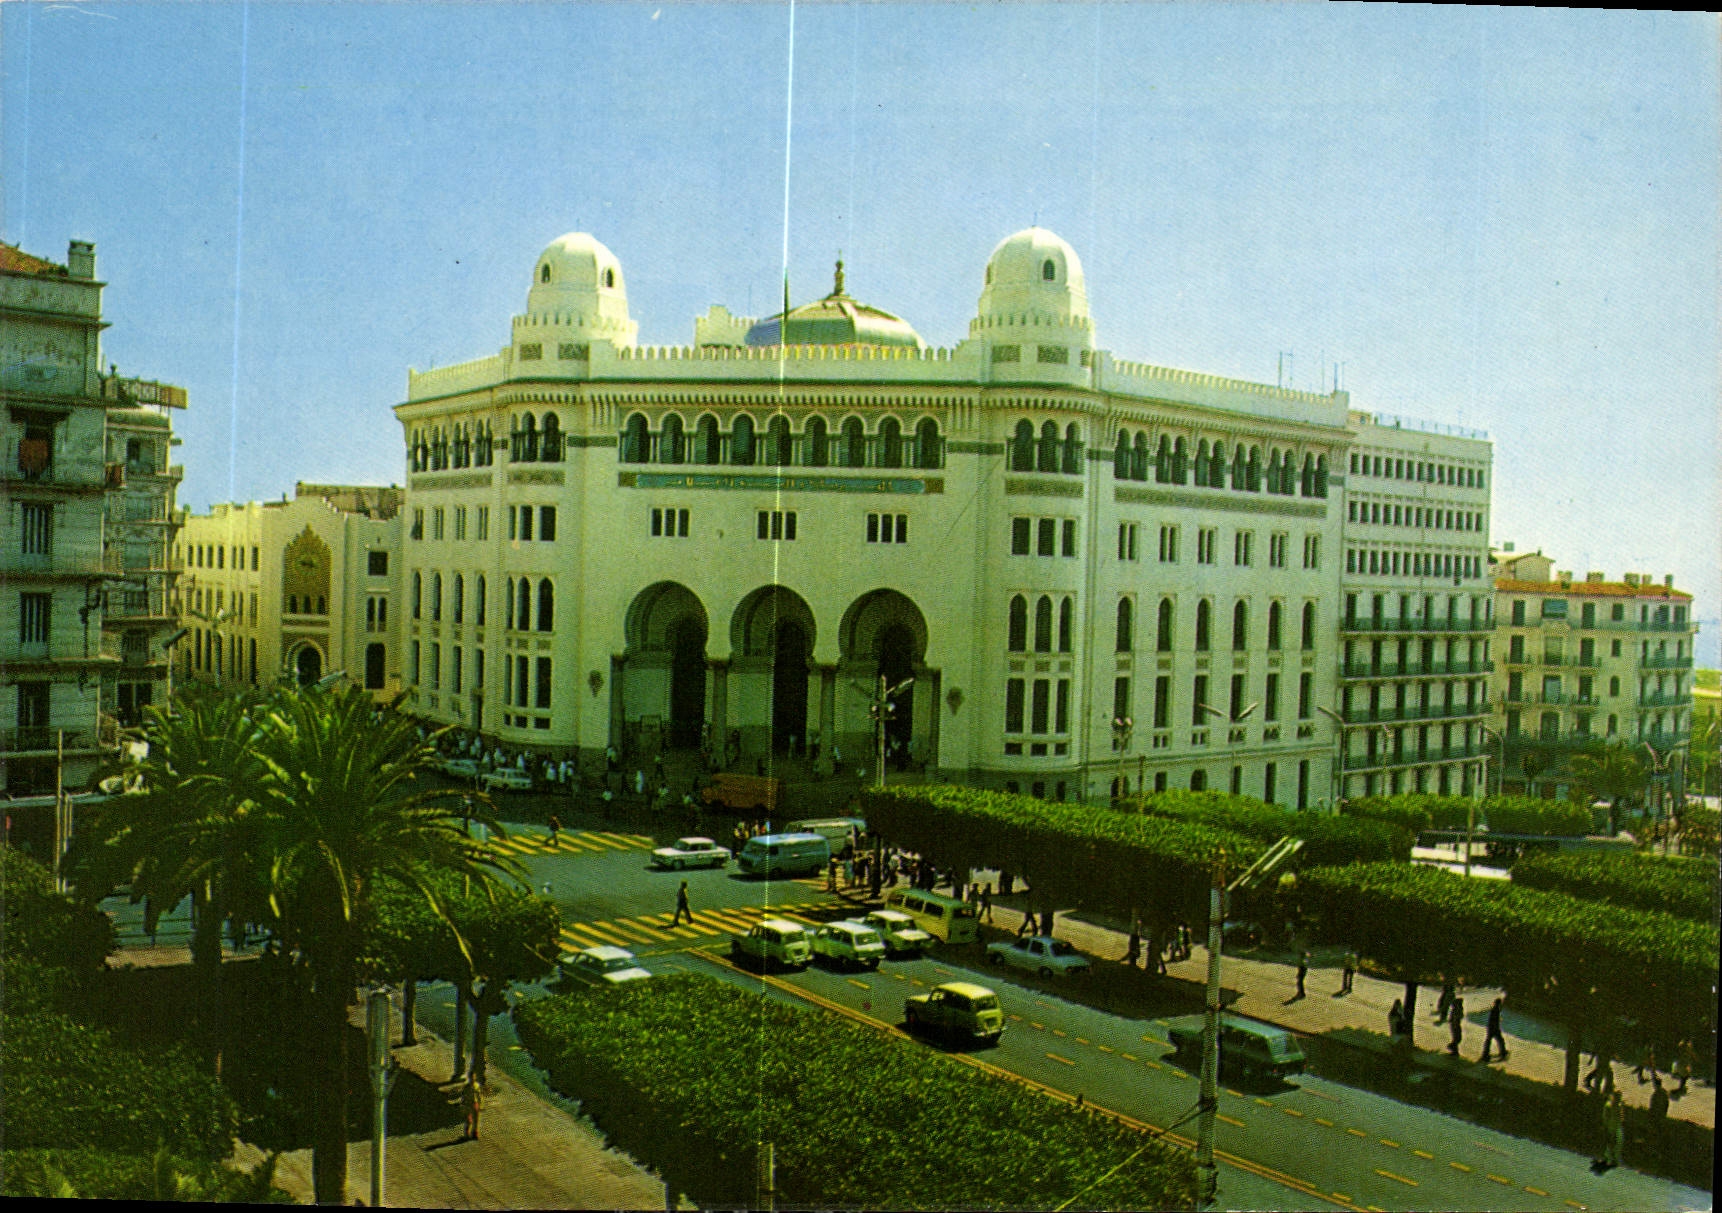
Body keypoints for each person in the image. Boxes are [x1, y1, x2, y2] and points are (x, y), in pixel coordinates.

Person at [1601, 1089, 1625, 1169]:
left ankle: (1614, 1159)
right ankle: (1608, 1158)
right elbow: (1605, 1115)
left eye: (1619, 1097)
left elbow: (1622, 1117)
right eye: (1617, 1097)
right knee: (1610, 1142)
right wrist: (1605, 1123)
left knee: (1617, 1143)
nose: (1618, 1098)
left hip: (1617, 1126)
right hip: (1611, 1125)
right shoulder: (1609, 1105)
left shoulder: (1619, 1105)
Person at [1480, 996, 1508, 1063]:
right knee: (1499, 1040)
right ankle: (1502, 1053)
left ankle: (1485, 1054)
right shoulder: (1496, 1010)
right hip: (1494, 1028)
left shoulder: (1495, 1009)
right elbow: (1495, 1020)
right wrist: (1496, 1027)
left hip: (1491, 1027)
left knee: (1489, 1041)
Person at [460, 1075, 483, 1140]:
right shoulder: (466, 1087)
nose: (472, 1080)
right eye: (471, 1078)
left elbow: (479, 1096)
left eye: (473, 1078)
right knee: (469, 1119)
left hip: (475, 1104)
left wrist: (480, 1105)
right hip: (468, 1104)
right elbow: (463, 1096)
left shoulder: (476, 1085)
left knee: (476, 1120)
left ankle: (475, 1134)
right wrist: (463, 1103)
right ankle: (466, 1134)